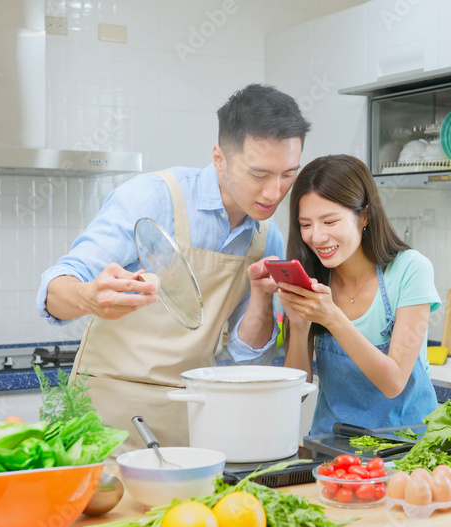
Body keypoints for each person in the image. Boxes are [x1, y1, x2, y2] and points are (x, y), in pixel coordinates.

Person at [36, 84, 310, 451]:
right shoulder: (152, 197)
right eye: (259, 174)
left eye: (288, 175)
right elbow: (54, 289)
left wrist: (262, 298)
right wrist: (87, 296)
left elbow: (247, 357)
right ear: (220, 158)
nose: (274, 192)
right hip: (105, 416)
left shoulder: (266, 238)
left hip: (191, 419)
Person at [278, 154, 441, 435]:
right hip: (333, 451)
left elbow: (393, 382)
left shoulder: (411, 270)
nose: (316, 237)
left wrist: (332, 318)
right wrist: (300, 324)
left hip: (406, 450)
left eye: (329, 222)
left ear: (364, 215)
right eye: (306, 225)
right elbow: (298, 394)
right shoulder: (314, 277)